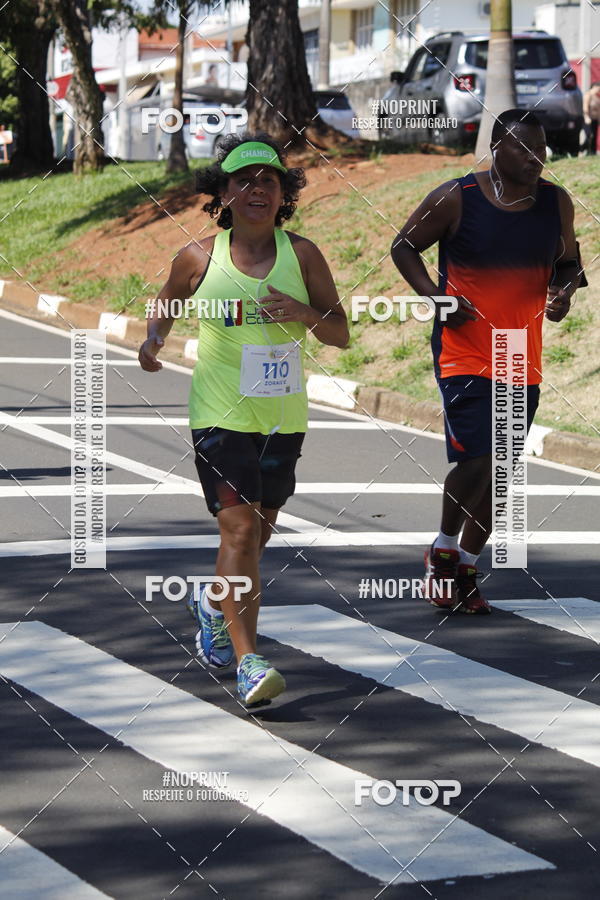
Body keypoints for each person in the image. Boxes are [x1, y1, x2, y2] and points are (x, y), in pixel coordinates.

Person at [139, 133, 348, 705]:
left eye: (269, 181)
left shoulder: (301, 254)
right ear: (223, 195)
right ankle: (249, 662)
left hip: (282, 414)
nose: (257, 190)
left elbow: (341, 333)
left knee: (259, 533)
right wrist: (153, 341)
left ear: (284, 194)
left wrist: (305, 312)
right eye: (244, 182)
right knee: (237, 528)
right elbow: (165, 305)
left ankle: (210, 604)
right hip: (218, 413)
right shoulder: (199, 257)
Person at [391, 109, 583, 615]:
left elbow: (569, 262)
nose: (537, 158)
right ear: (497, 147)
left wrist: (563, 292)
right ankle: (443, 548)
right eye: (525, 148)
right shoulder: (457, 197)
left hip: (522, 353)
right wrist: (435, 297)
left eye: (543, 148)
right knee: (475, 458)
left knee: (500, 475)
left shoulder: (555, 203)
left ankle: (467, 568)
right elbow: (404, 247)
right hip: (466, 350)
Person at [583, 82, 600, 155]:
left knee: (594, 136)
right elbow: (585, 107)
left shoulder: (597, 97)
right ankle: (583, 149)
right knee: (590, 135)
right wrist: (587, 117)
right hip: (588, 119)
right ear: (595, 87)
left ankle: (592, 152)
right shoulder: (588, 95)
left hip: (595, 119)